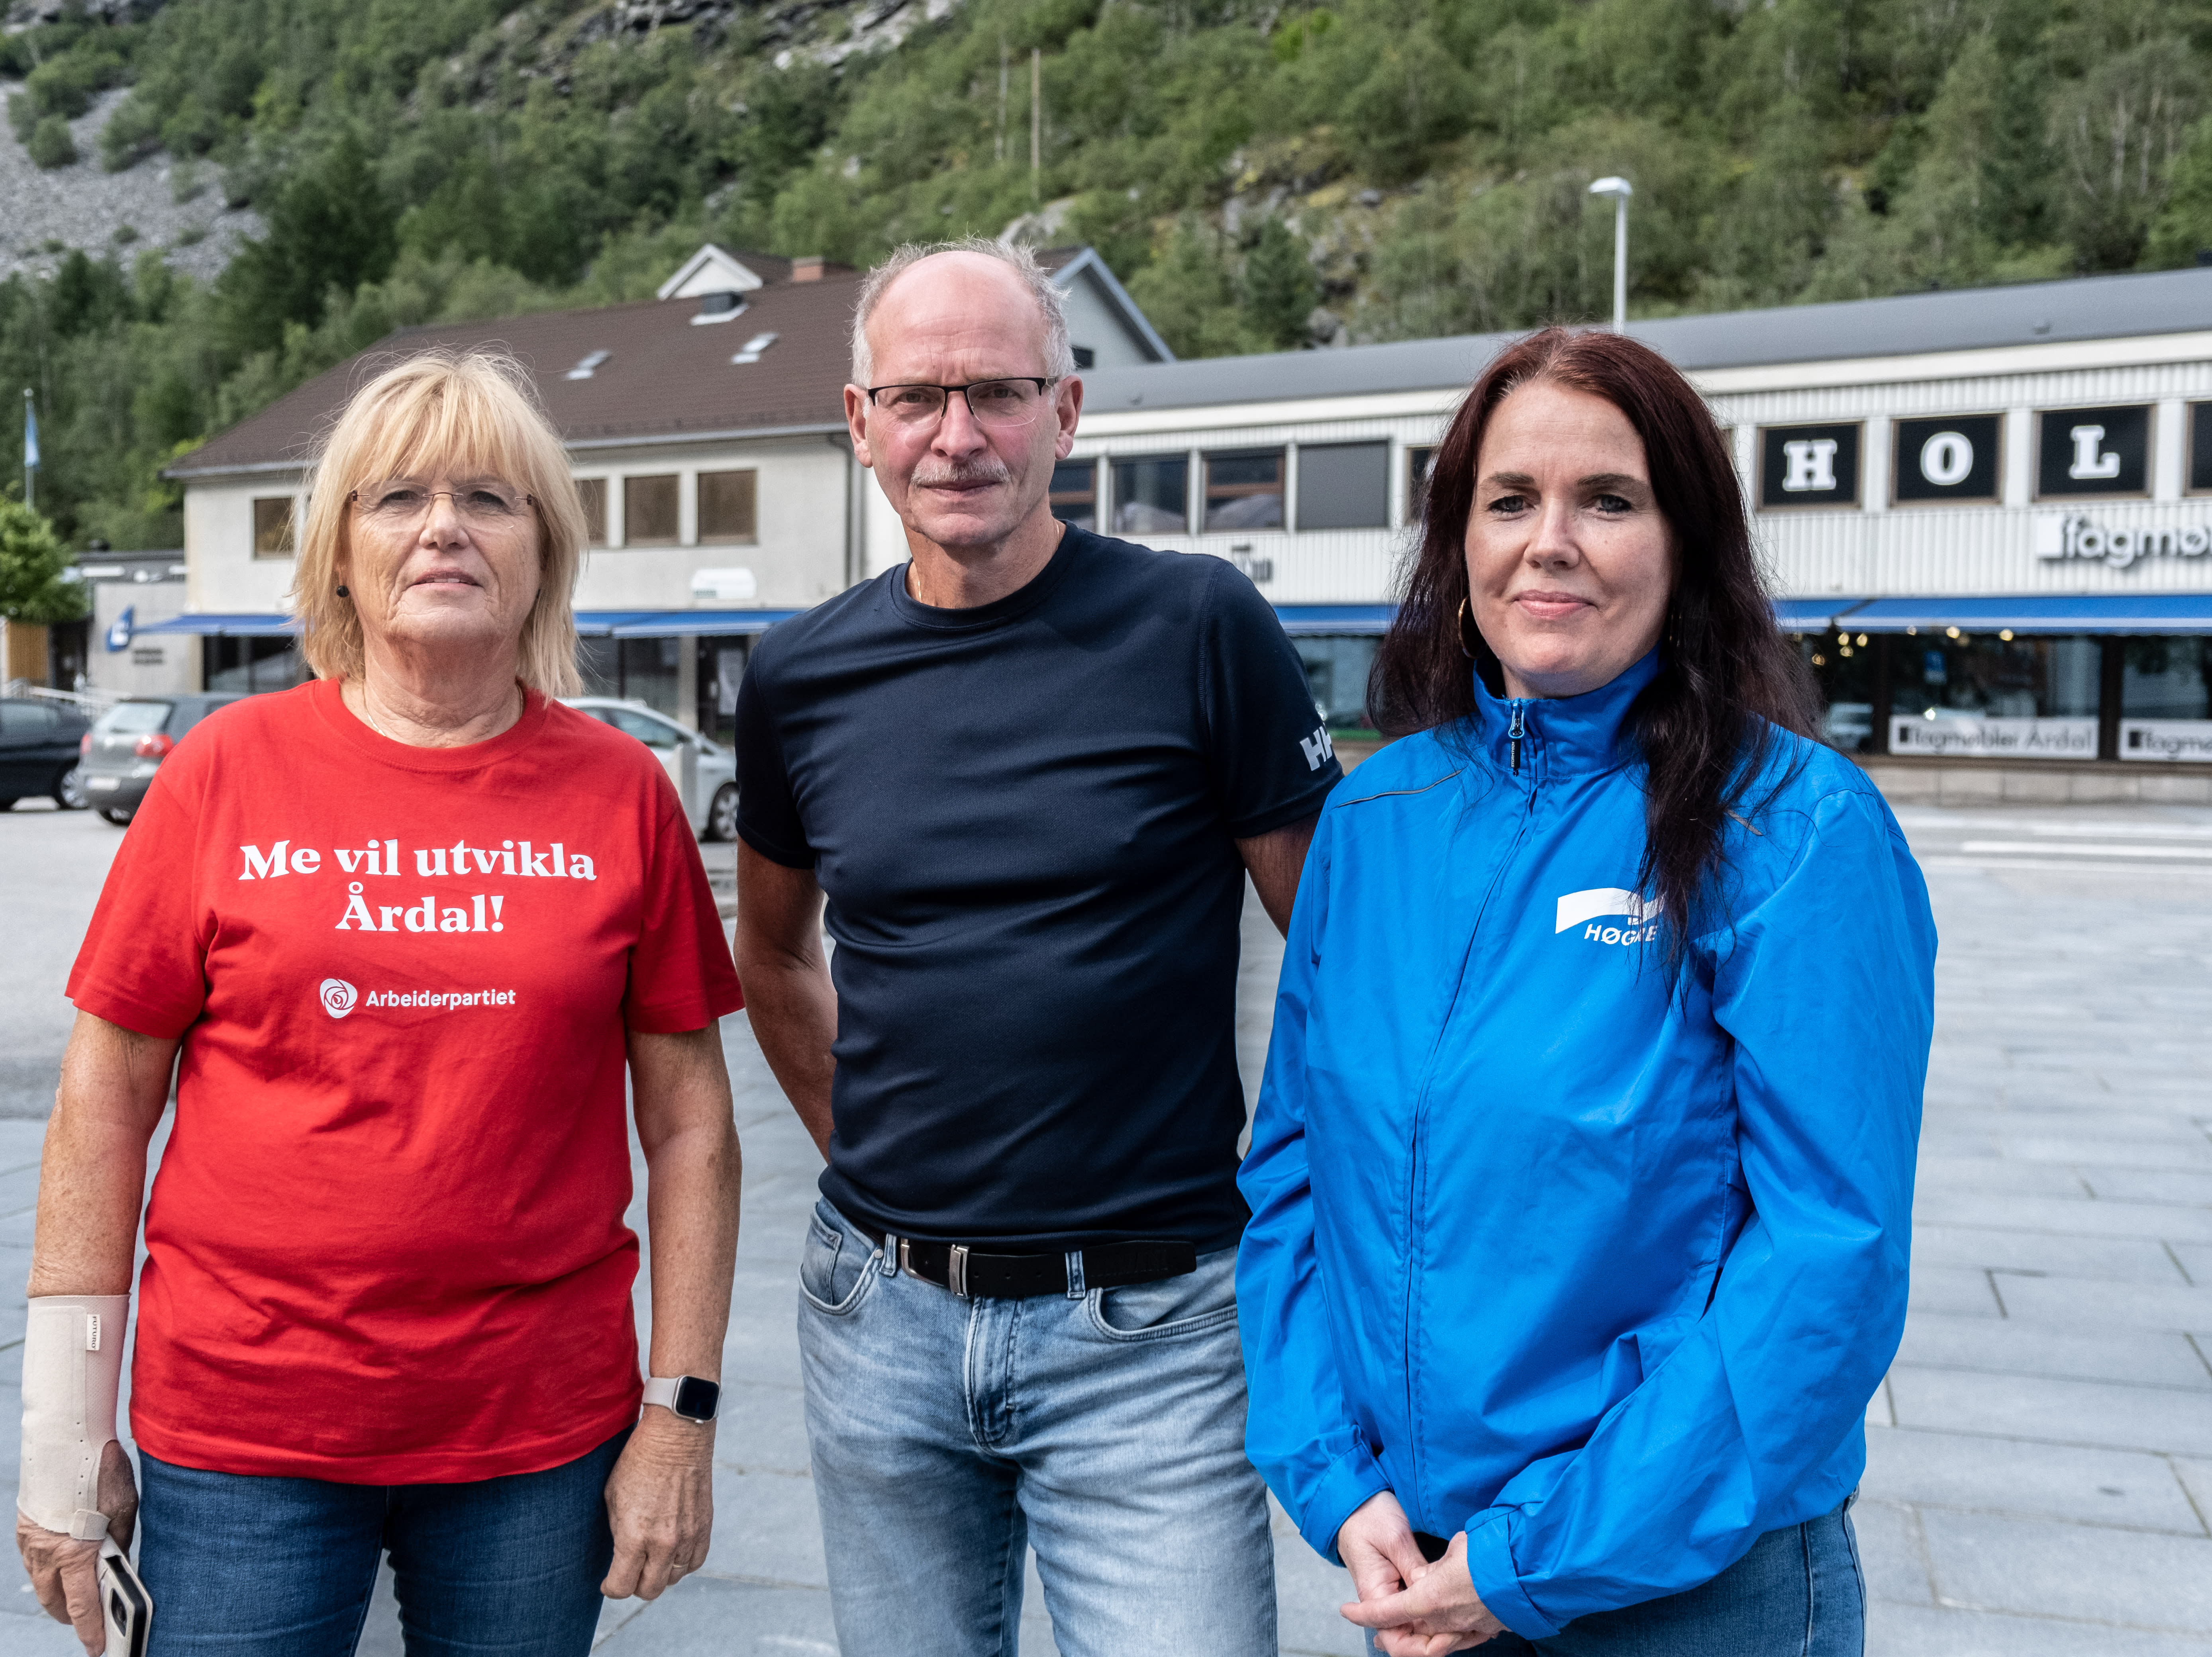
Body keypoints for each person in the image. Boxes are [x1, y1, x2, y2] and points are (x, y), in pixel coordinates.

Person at [13, 352, 745, 1657]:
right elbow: (102, 1102)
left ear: (544, 554)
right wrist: (63, 1436)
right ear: (341, 555)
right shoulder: (222, 772)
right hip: (245, 1434)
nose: (445, 527)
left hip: (535, 1439)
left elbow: (692, 1128)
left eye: (490, 498)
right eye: (399, 497)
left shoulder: (624, 793)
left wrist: (678, 1418)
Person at [1236, 325, 1937, 1657]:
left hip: (1692, 1586)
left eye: (1608, 501)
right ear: (1459, 543)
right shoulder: (1377, 819)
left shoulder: (1796, 827)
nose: (1548, 543)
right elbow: (1290, 1180)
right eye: (1511, 501)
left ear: (1687, 546)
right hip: (1419, 1564)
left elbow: (1826, 1263)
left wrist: (1535, 1558)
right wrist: (1335, 1480)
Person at [730, 239, 1340, 1657]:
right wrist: (869, 1152)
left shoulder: (1197, 625)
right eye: (917, 398)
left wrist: (1303, 1217)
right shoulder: (799, 674)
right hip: (877, 1321)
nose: (958, 435)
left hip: (1150, 1335)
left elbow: (1337, 965)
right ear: (862, 422)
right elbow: (773, 956)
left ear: (1065, 413)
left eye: (998, 393)